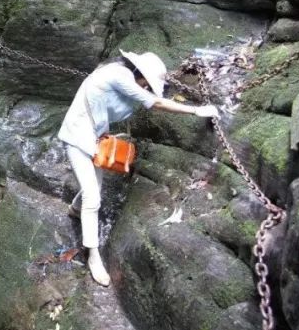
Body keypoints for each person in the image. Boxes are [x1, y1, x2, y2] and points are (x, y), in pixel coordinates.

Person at [58, 49, 219, 287]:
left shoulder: (121, 76)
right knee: (94, 196)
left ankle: (75, 209)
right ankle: (92, 255)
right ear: (139, 74)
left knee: (94, 186)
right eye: (146, 83)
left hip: (93, 139)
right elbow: (154, 103)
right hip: (76, 136)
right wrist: (195, 110)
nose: (146, 87)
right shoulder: (120, 76)